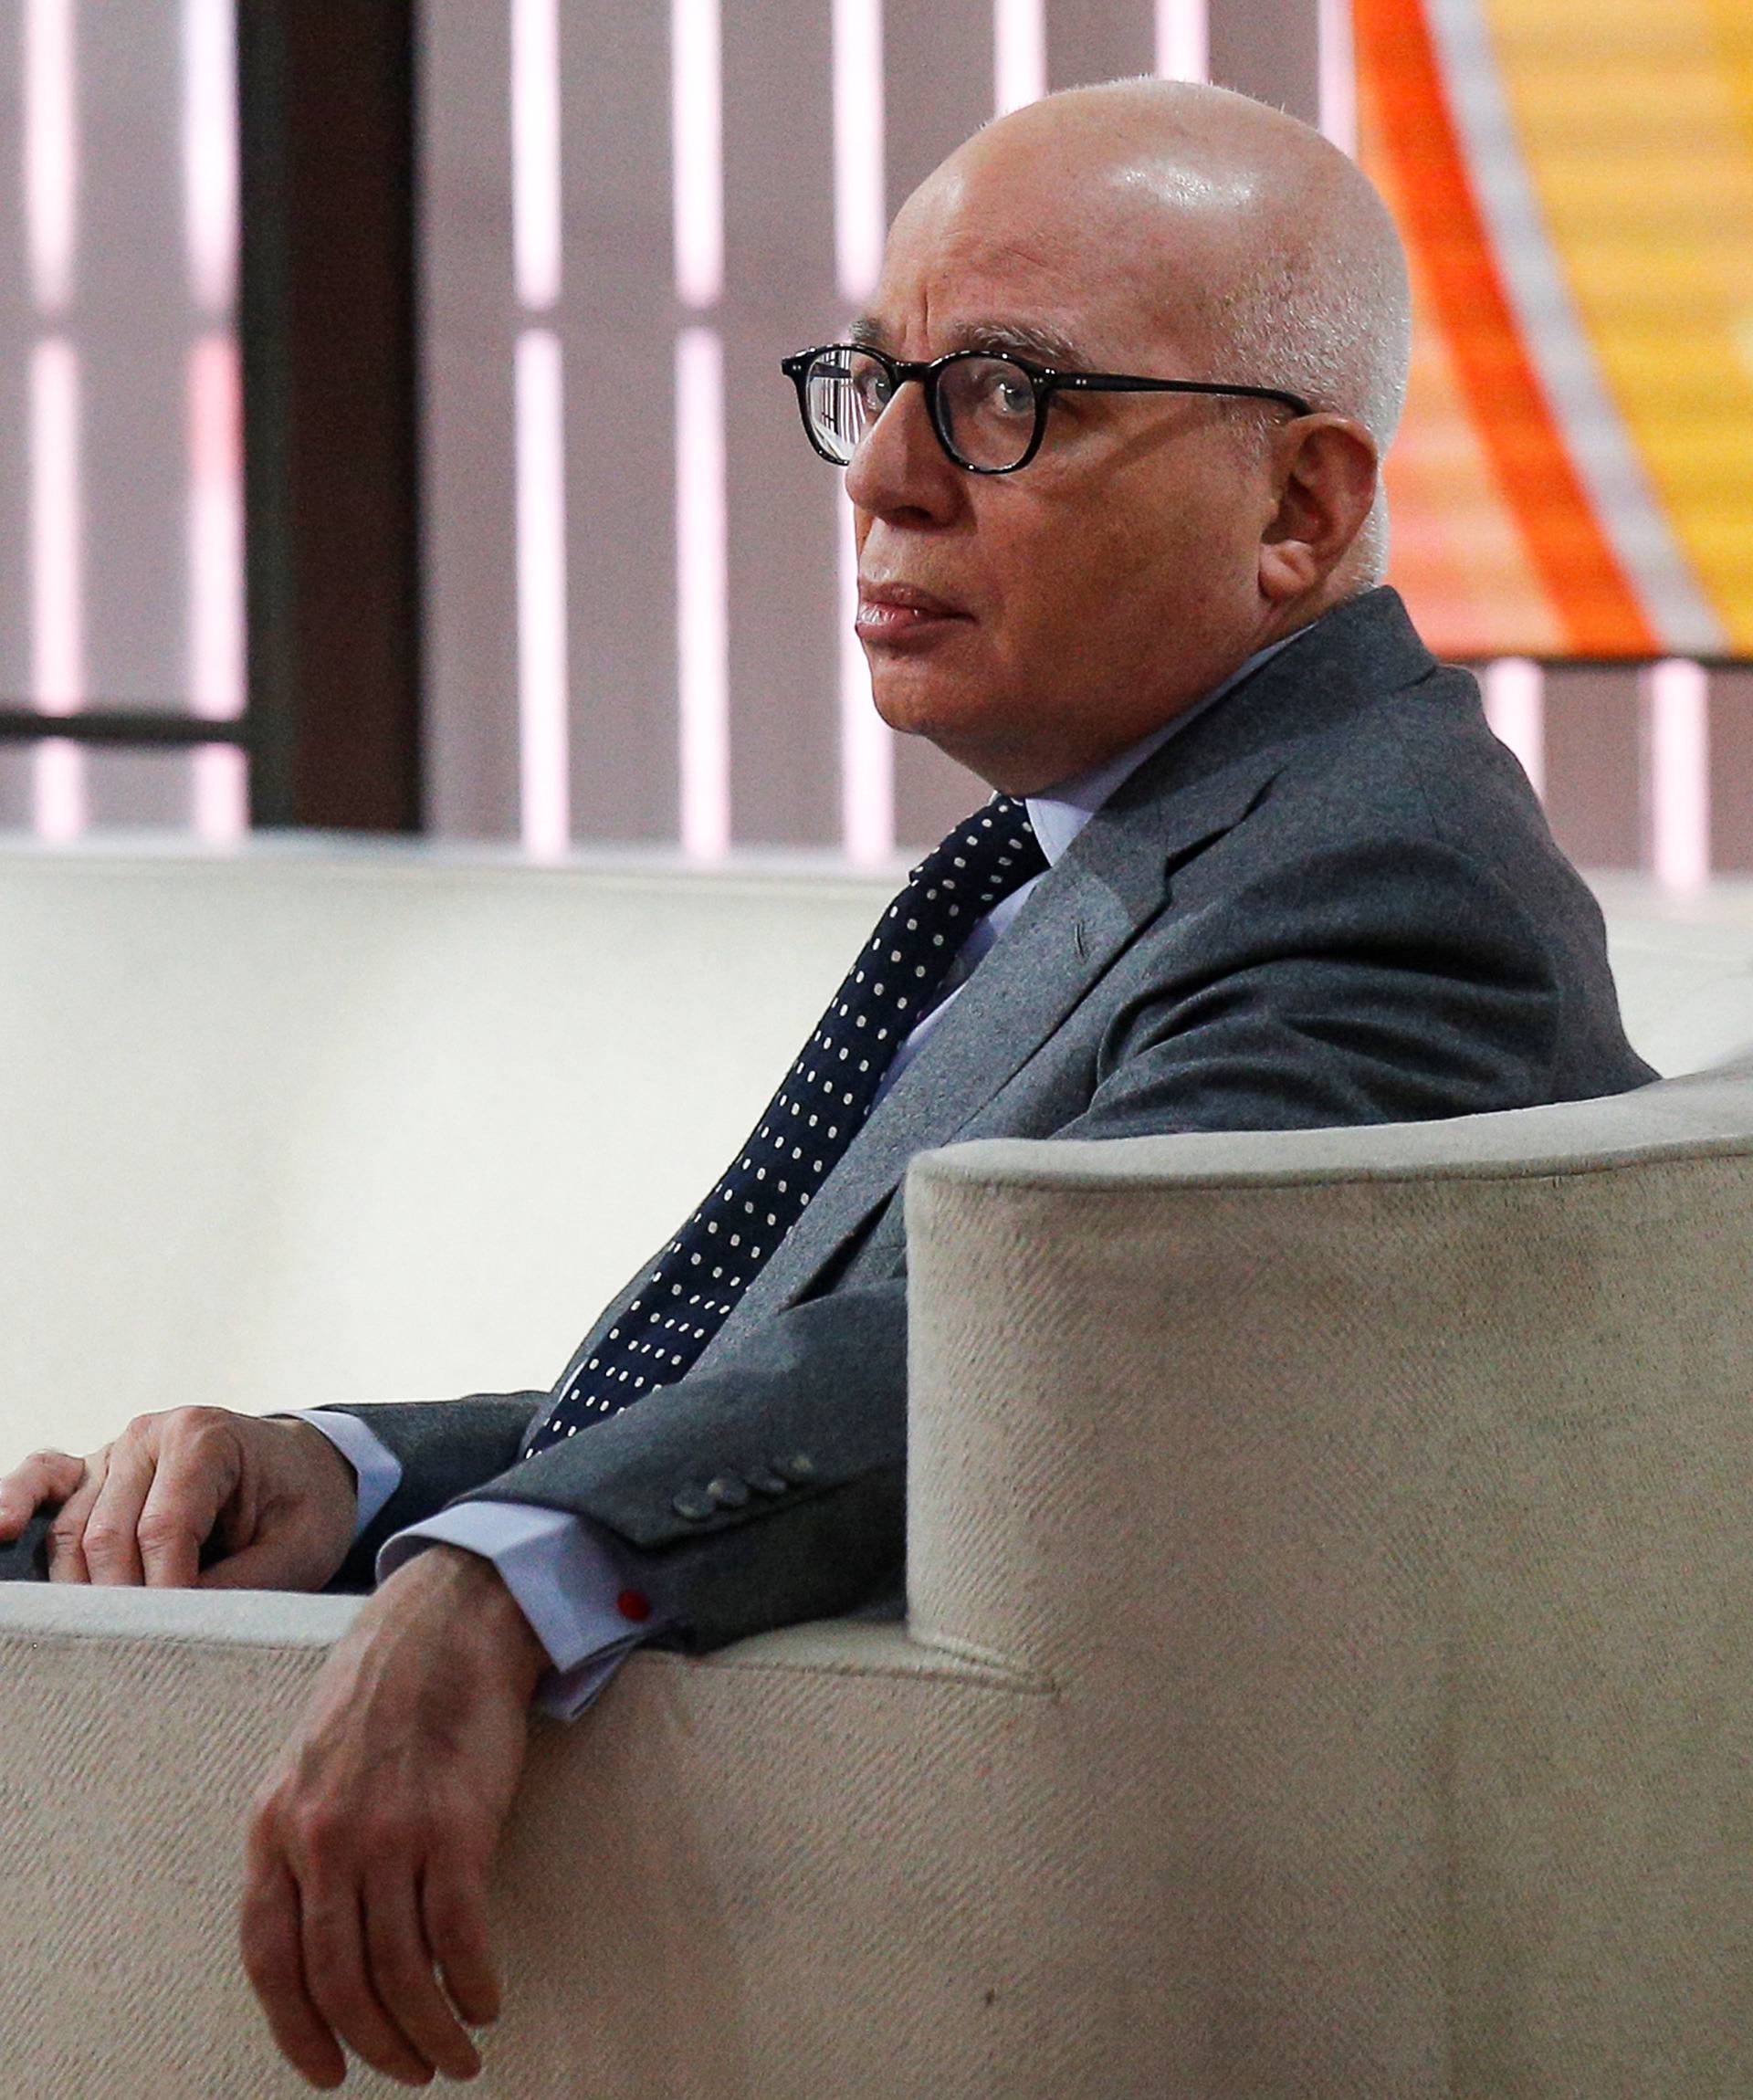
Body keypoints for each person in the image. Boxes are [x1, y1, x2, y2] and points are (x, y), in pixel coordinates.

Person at [0, 76, 1653, 2092]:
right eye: (878, 383)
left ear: (1299, 508)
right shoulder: (1128, 841)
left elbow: (1010, 1375)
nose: (883, 475)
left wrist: (488, 1592)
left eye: (1010, 396)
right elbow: (790, 1377)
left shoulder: (1380, 880)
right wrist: (348, 1481)